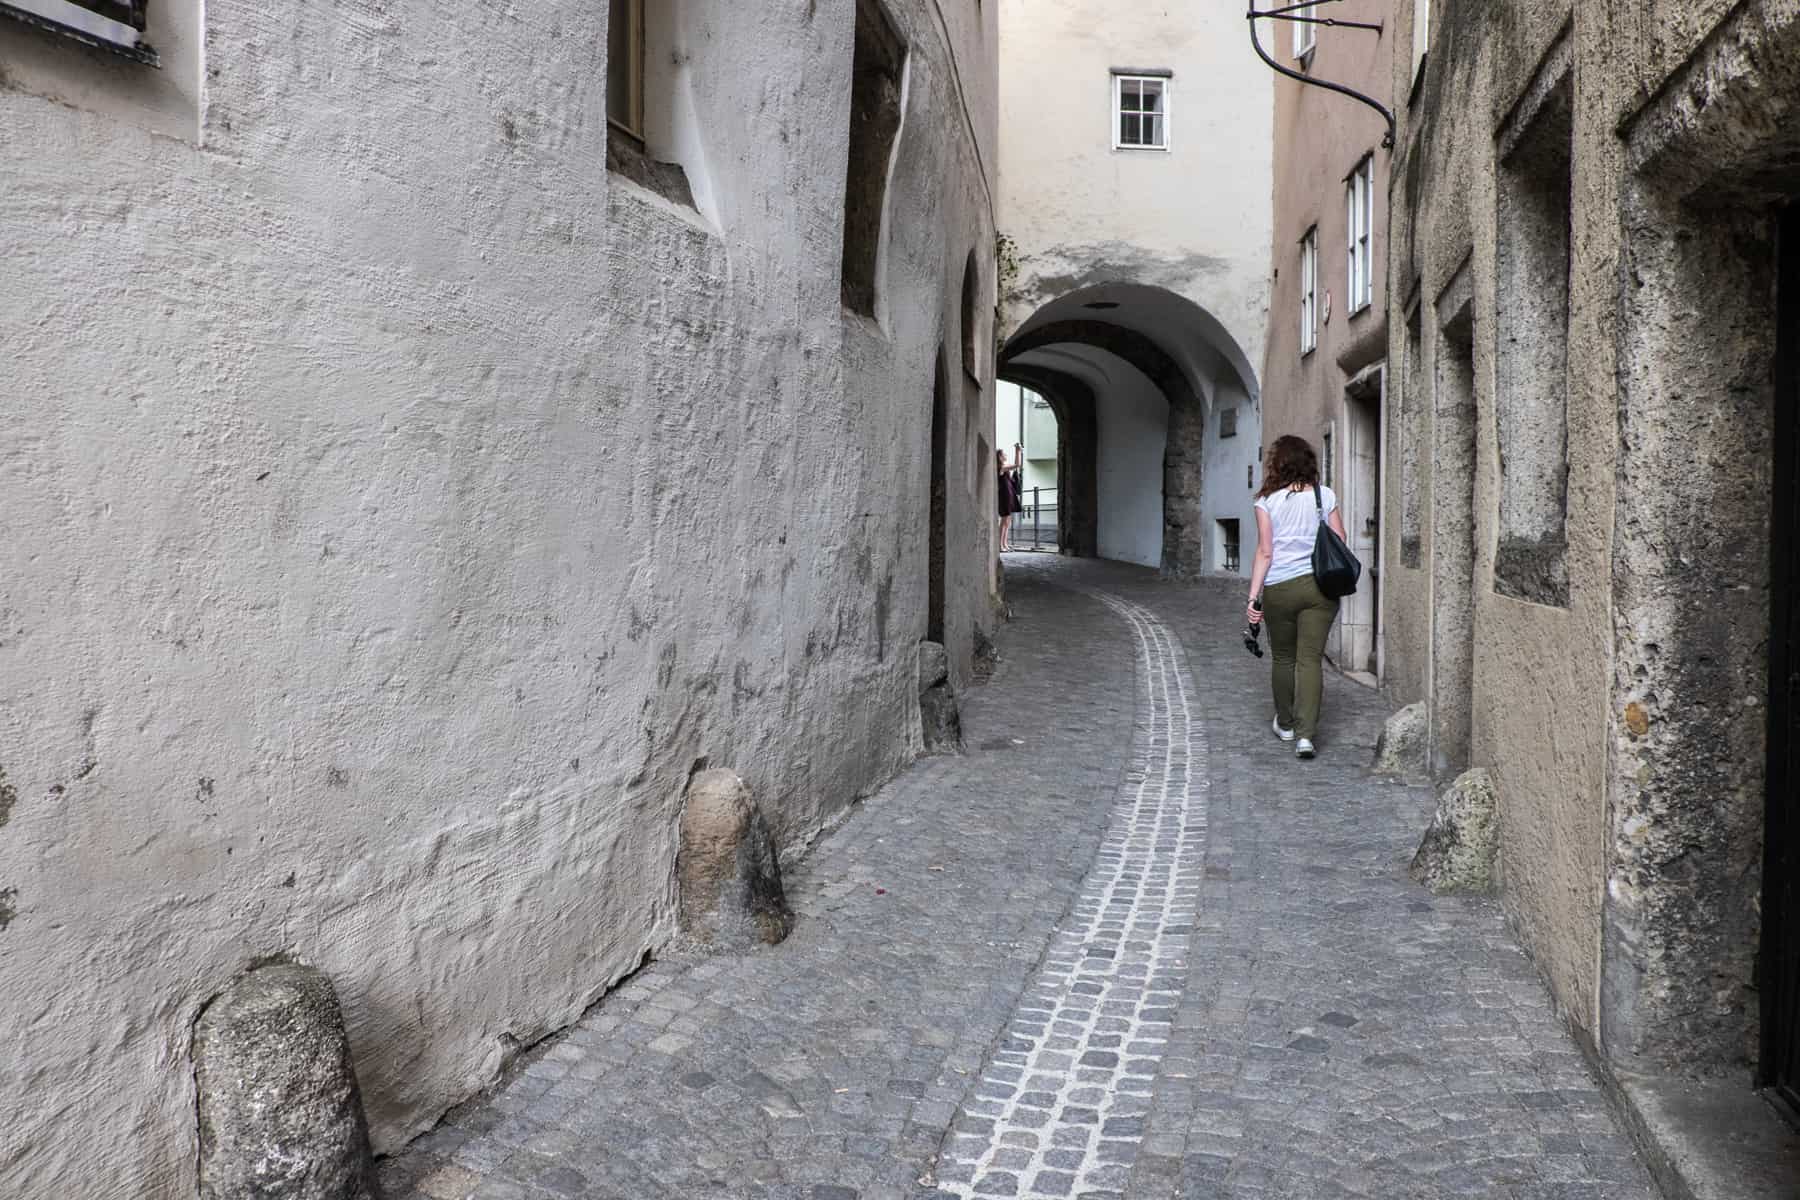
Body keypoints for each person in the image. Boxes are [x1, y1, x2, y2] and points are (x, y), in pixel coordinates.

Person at [1245, 435, 1347, 759]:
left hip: (1280, 587)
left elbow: (1264, 551)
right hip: (1319, 587)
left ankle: (1286, 724)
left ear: (1278, 463)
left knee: (1284, 658)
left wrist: (1252, 598)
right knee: (1310, 659)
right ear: (1308, 462)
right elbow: (1340, 538)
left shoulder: (1267, 501)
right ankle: (1306, 737)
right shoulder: (1324, 494)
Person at [997, 448, 1022, 551]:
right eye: (1004, 454)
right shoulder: (1001, 467)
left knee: (1008, 520)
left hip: (1009, 494)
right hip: (1004, 495)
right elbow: (1017, 464)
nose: (1006, 455)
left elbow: (1016, 465)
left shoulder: (1004, 468)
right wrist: (1018, 450)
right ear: (1000, 457)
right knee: (1004, 519)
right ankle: (1000, 545)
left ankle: (1004, 543)